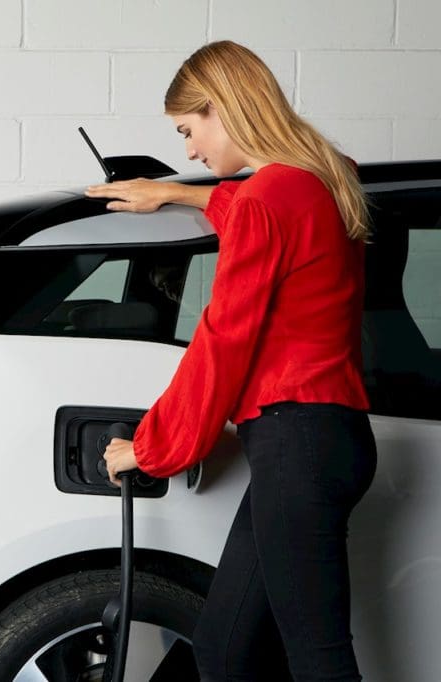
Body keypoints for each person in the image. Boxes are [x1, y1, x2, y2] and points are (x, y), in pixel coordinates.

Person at [86, 41, 378, 681]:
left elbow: (222, 340)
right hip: (326, 440)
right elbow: (260, 213)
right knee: (223, 651)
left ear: (224, 108)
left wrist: (155, 445)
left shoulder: (271, 200)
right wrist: (179, 195)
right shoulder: (328, 176)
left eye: (189, 130)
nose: (190, 151)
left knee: (319, 661)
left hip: (294, 443)